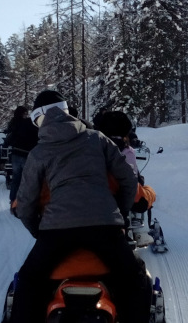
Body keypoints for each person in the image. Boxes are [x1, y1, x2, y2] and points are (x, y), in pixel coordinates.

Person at [10, 90, 150, 323]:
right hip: (104, 226)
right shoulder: (96, 138)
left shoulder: (39, 152)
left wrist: (39, 230)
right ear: (67, 112)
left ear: (39, 119)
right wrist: (120, 214)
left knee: (30, 281)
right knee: (134, 278)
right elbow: (128, 178)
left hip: (56, 231)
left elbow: (24, 204)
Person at [96, 110, 156, 215]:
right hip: (113, 217)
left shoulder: (89, 152)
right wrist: (150, 192)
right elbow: (137, 197)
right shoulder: (124, 154)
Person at [3, 106, 38, 204]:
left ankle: (13, 199)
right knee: (28, 179)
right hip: (27, 154)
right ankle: (26, 201)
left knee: (16, 178)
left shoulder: (14, 123)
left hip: (16, 153)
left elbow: (10, 136)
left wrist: (6, 144)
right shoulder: (30, 124)